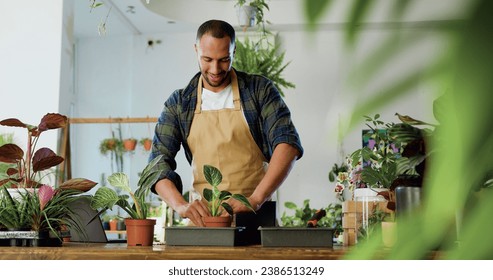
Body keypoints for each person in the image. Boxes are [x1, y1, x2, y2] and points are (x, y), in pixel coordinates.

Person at [149, 19, 303, 227]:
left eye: (224, 59)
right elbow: (157, 165)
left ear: (234, 51)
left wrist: (256, 200)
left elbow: (287, 144)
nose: (215, 68)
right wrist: (181, 205)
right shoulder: (179, 104)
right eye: (207, 59)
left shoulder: (259, 90)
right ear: (196, 50)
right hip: (205, 222)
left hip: (255, 219)